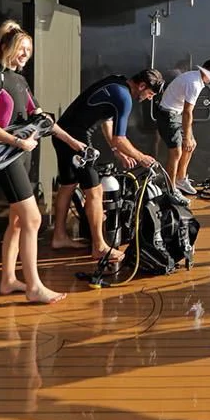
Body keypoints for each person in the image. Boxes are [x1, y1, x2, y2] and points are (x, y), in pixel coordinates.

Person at [0, 21, 87, 305]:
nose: (25, 54)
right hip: (5, 157)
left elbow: (42, 119)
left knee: (16, 221)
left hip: (20, 154)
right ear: (5, 48)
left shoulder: (20, 81)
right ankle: (34, 286)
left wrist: (73, 142)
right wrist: (17, 142)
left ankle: (8, 280)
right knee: (33, 218)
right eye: (20, 49)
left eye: (29, 49)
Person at [49, 68, 165, 269]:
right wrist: (141, 157)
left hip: (62, 134)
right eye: (149, 95)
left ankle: (59, 236)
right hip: (76, 140)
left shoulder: (117, 82)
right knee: (95, 190)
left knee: (68, 185)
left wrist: (118, 151)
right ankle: (99, 246)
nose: (147, 99)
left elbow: (106, 121)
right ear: (142, 86)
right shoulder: (125, 98)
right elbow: (121, 138)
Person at [157, 58, 210, 202]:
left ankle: (180, 179)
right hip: (168, 115)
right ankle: (171, 189)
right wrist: (187, 137)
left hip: (175, 114)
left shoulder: (196, 79)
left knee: (191, 146)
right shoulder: (194, 84)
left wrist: (189, 138)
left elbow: (184, 113)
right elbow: (188, 112)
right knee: (176, 151)